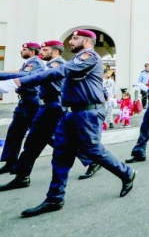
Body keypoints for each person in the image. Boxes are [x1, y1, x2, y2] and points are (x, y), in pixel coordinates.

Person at [0, 30, 136, 217]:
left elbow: (60, 72)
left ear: (87, 41)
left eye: (75, 38)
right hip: (70, 113)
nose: (70, 42)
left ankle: (127, 173)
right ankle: (54, 198)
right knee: (61, 156)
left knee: (93, 150)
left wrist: (17, 82)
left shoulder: (89, 56)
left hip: (87, 112)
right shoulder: (76, 59)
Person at [0, 40, 96, 190]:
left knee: (58, 141)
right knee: (34, 141)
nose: (41, 52)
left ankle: (93, 160)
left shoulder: (57, 64)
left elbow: (35, 75)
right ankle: (21, 176)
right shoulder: (49, 64)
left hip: (54, 106)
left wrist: (9, 79)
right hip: (46, 106)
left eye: (45, 50)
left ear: (55, 51)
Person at [0, 42, 45, 175]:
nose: (21, 51)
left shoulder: (35, 63)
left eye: (24, 49)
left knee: (45, 135)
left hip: (32, 102)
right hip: (24, 101)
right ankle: (10, 162)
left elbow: (21, 76)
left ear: (32, 51)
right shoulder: (28, 63)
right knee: (14, 132)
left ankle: (87, 157)